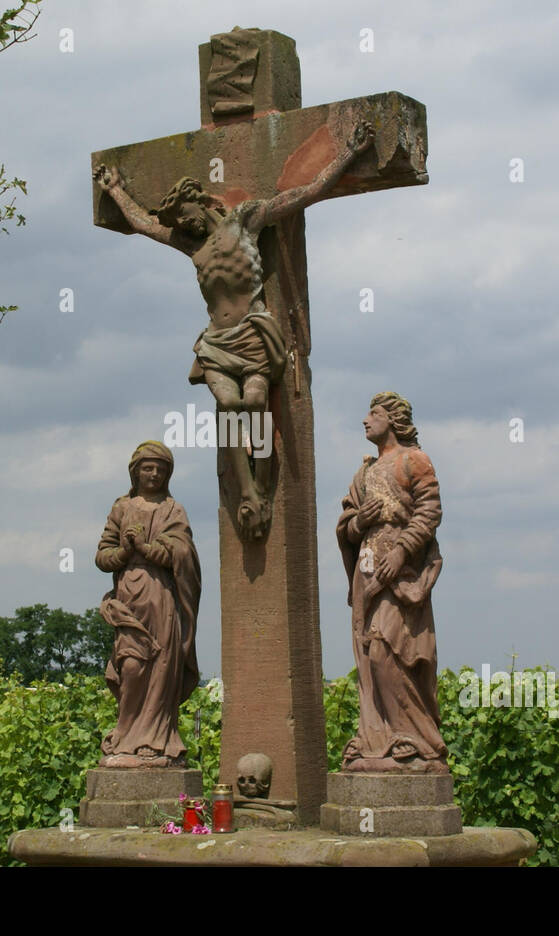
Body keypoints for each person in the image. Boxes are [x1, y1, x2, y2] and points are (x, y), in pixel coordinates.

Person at [93, 120, 374, 540]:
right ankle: (246, 492)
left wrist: (348, 154)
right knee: (228, 407)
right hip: (217, 342)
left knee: (257, 400)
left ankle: (262, 486)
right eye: (176, 221)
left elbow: (304, 193)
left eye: (183, 215)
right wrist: (114, 189)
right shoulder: (192, 245)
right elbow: (142, 224)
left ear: (198, 201)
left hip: (253, 334)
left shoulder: (244, 221)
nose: (181, 224)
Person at [336, 392, 449, 773]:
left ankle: (419, 741)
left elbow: (429, 511)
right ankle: (379, 738)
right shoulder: (364, 472)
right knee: (368, 653)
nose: (366, 420)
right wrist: (360, 522)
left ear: (394, 419)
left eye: (374, 413)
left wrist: (401, 551)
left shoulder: (412, 460)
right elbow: (347, 526)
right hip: (366, 571)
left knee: (388, 646)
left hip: (401, 574)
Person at [94, 441, 201, 768]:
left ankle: (156, 741)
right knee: (131, 666)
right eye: (147, 467)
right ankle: (126, 737)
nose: (153, 474)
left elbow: (182, 553)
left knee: (161, 669)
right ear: (135, 471)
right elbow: (102, 556)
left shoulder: (173, 510)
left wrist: (147, 546)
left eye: (160, 469)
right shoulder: (121, 508)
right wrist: (125, 553)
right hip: (129, 596)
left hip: (162, 597)